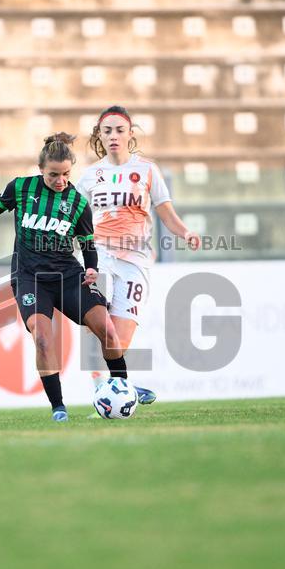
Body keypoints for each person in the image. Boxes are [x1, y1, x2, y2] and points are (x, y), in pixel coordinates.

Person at [0, 133, 130, 422]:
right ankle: (58, 406)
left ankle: (123, 388)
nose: (60, 180)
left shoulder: (77, 202)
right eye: (53, 175)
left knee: (107, 330)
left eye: (65, 174)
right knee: (43, 338)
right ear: (40, 170)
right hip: (29, 277)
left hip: (68, 275)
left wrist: (91, 267)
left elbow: (87, 243)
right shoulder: (21, 188)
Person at [75, 105, 202, 404]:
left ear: (130, 134)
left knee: (118, 336)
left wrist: (186, 233)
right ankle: (104, 390)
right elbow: (74, 217)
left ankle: (119, 386)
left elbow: (166, 213)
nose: (114, 136)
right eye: (107, 131)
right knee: (96, 325)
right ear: (100, 136)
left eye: (120, 130)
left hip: (136, 261)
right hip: (100, 257)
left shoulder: (146, 170)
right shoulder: (91, 175)